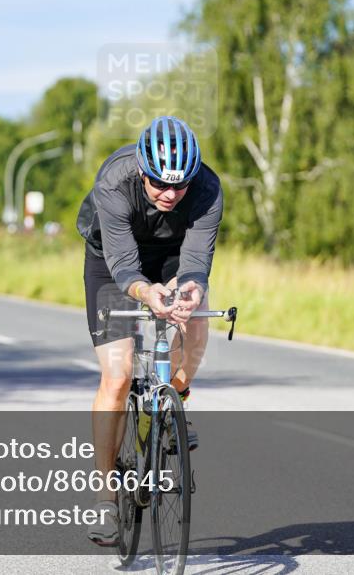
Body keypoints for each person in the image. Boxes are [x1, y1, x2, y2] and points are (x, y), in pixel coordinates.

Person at [76, 116, 223, 546]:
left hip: (173, 254)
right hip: (111, 260)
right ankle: (106, 497)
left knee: (195, 322)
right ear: (142, 170)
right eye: (160, 183)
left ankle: (176, 395)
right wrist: (147, 293)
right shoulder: (115, 180)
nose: (170, 194)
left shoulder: (208, 190)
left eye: (180, 186)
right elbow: (124, 267)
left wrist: (190, 291)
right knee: (118, 375)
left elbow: (197, 261)